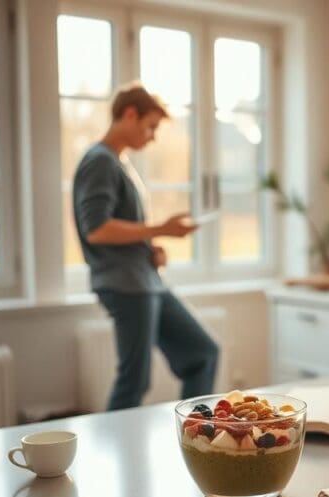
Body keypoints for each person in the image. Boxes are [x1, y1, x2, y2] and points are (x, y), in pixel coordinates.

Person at [73, 82, 219, 411]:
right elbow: (96, 228)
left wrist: (151, 248)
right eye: (150, 126)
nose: (153, 136)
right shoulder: (100, 161)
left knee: (202, 352)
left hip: (144, 279)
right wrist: (162, 229)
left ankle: (194, 438)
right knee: (134, 381)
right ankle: (120, 460)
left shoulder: (119, 163)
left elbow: (120, 226)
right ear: (129, 114)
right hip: (126, 285)